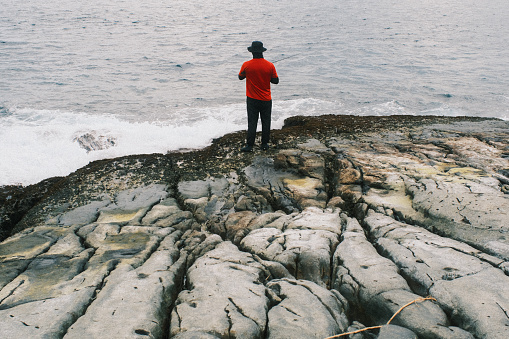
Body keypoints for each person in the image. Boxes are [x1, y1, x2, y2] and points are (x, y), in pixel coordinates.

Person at [238, 41, 279, 152]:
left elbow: (240, 77)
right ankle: (264, 144)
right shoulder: (270, 65)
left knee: (252, 121)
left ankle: (249, 145)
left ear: (252, 52)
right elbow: (276, 81)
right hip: (266, 99)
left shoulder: (246, 65)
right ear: (262, 51)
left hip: (252, 99)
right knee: (266, 121)